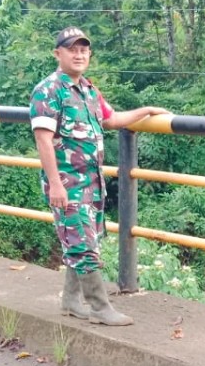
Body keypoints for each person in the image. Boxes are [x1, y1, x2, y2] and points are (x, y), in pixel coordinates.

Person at [30, 26, 169, 326]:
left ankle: (70, 300)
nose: (79, 54)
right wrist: (55, 184)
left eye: (84, 49)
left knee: (80, 241)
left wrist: (145, 110)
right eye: (72, 49)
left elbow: (112, 119)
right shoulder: (48, 90)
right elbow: (43, 139)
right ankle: (100, 307)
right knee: (83, 245)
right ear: (58, 54)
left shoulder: (90, 91)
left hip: (92, 185)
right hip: (67, 184)